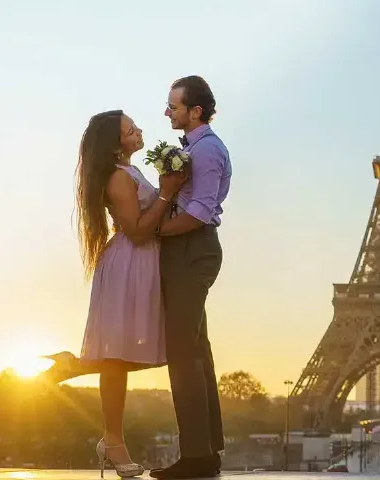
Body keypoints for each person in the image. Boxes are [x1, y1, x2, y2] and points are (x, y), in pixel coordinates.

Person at [40, 109, 187, 478]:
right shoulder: (118, 179)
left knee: (126, 355)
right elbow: (137, 231)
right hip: (130, 265)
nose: (138, 129)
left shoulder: (131, 172)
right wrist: (167, 193)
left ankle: (75, 367)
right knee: (118, 359)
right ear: (115, 144)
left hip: (142, 265)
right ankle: (113, 440)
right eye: (129, 128)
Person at [149, 75, 232, 480]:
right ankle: (206, 452)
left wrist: (155, 232)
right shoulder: (193, 149)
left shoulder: (208, 150)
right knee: (196, 353)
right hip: (189, 248)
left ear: (194, 111)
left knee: (184, 354)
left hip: (192, 248)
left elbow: (199, 212)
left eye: (173, 106)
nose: (167, 112)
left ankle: (196, 456)